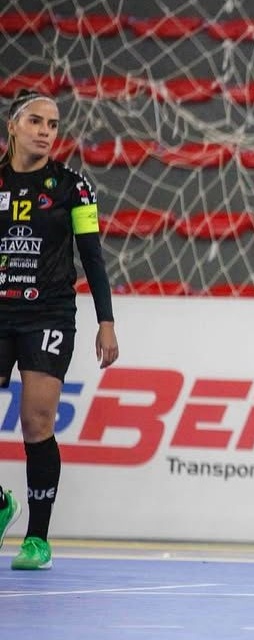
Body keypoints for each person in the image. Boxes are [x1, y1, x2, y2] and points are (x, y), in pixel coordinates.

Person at [0, 89, 120, 570]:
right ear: (13, 125)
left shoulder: (74, 187)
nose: (46, 131)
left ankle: (37, 539)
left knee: (36, 421)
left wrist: (106, 321)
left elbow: (92, 255)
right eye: (35, 121)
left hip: (48, 315)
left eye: (52, 124)